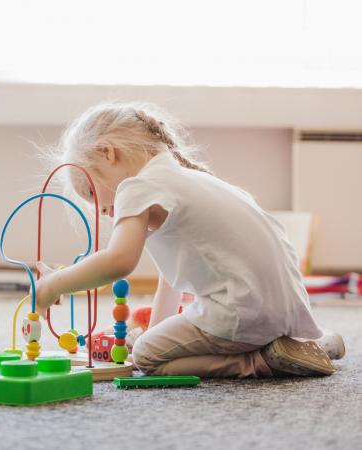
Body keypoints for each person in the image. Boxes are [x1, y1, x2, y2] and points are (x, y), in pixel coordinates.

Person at [35, 102, 344, 378]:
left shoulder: (137, 186)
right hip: (286, 310)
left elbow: (119, 261)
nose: (99, 210)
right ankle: (307, 344)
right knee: (152, 341)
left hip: (243, 312)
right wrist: (155, 332)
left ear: (108, 153)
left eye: (90, 191)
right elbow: (170, 282)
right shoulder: (190, 180)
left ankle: (260, 360)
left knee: (147, 357)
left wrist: (54, 283)